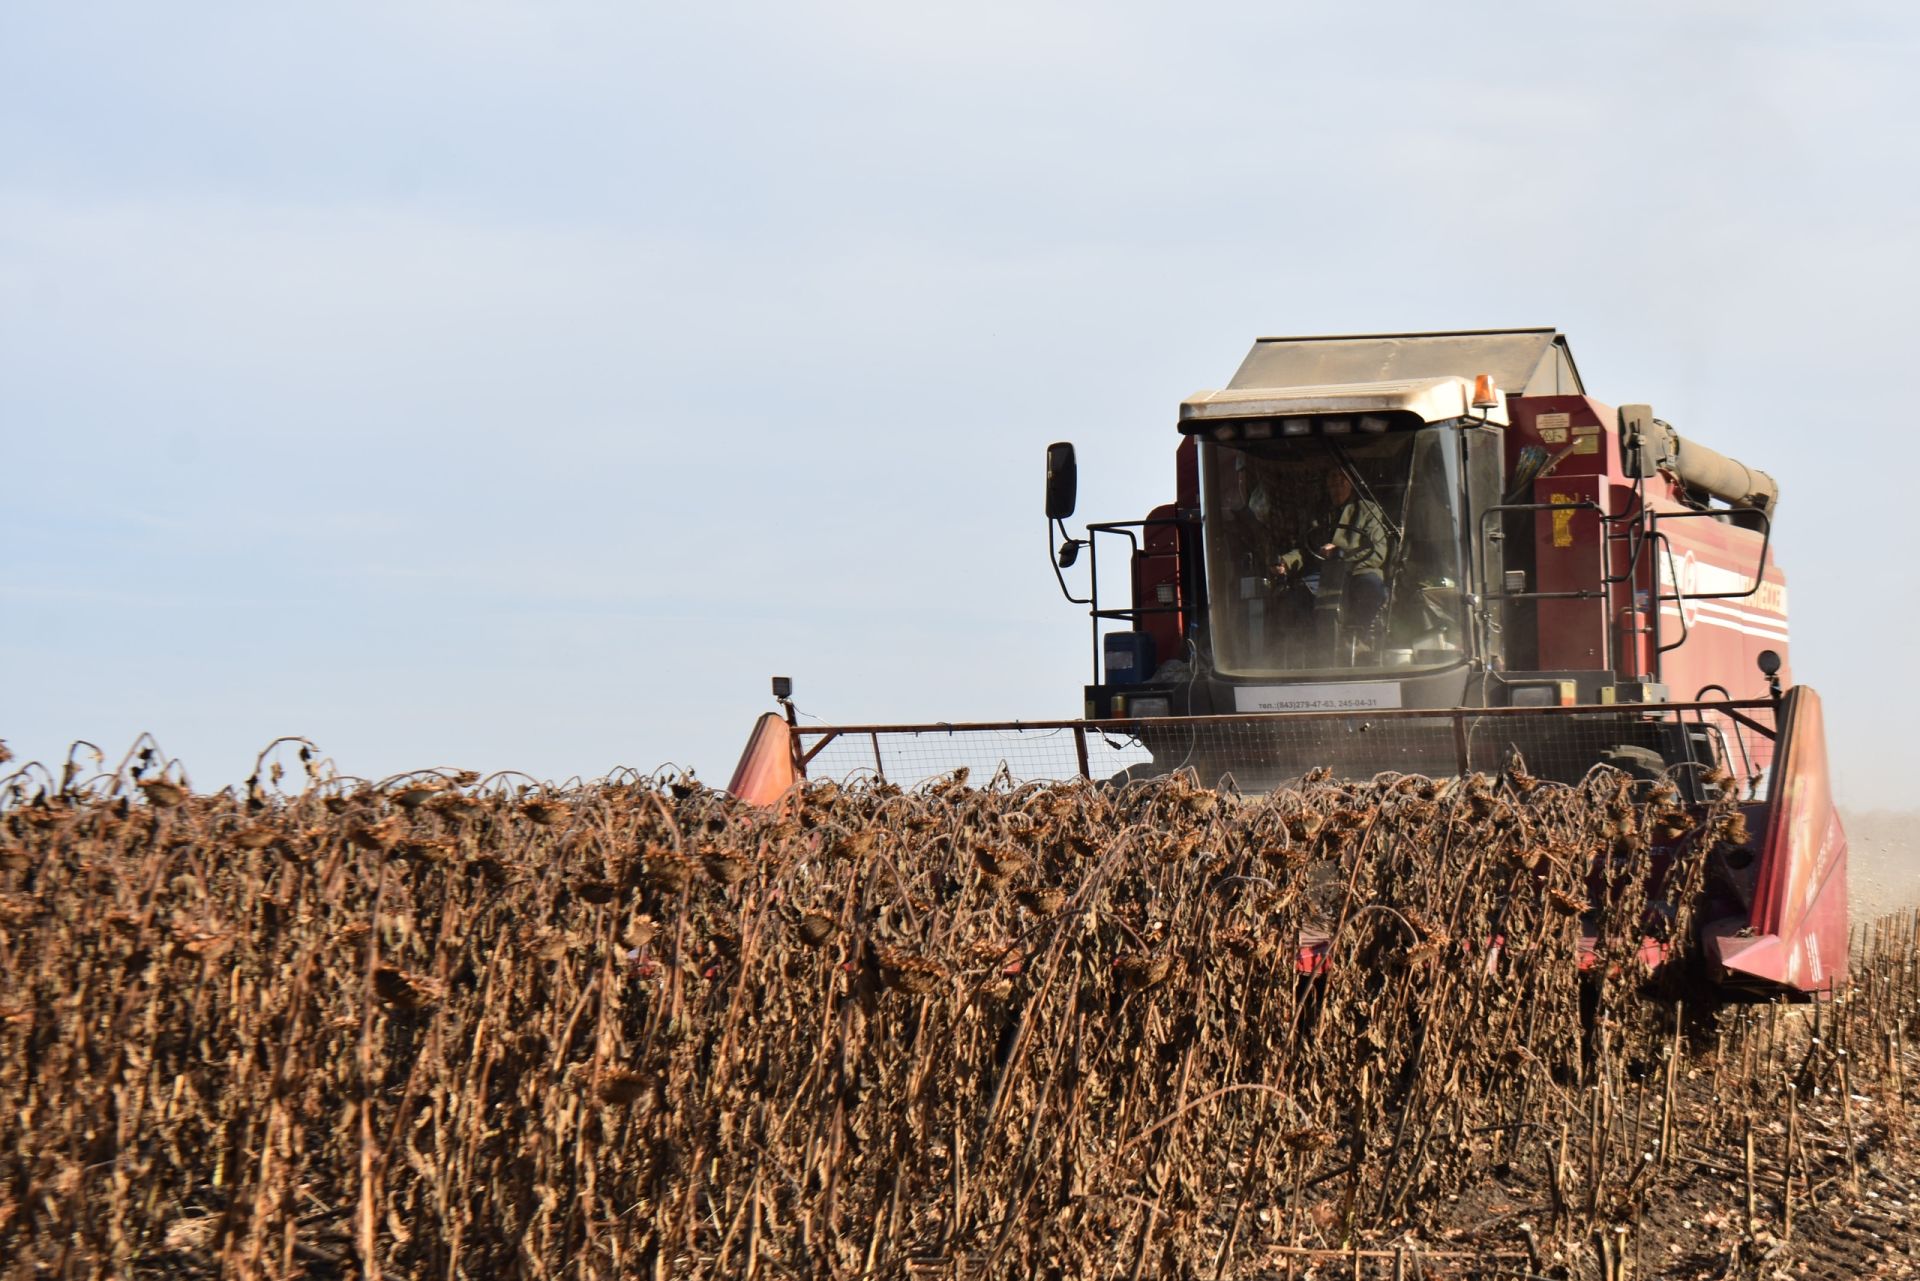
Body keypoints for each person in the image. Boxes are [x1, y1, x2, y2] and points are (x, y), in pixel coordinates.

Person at [1271, 465, 1391, 639]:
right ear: (1327, 482)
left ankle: (1359, 640)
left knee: (1372, 590)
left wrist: (1340, 553)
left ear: (1351, 481)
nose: (1338, 480)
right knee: (1293, 596)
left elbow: (1378, 552)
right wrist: (1286, 562)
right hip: (1324, 575)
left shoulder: (1368, 510)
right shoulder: (1318, 512)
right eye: (1333, 475)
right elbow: (1306, 550)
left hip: (1359, 572)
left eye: (1343, 476)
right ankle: (1307, 646)